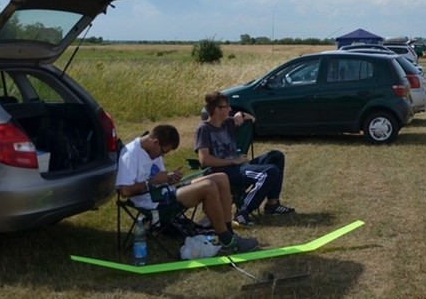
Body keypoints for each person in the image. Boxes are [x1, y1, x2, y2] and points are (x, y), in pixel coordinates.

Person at [116, 124, 258, 254]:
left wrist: (170, 177)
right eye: (163, 152)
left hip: (166, 192)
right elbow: (125, 192)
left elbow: (158, 177)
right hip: (155, 202)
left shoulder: (152, 150)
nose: (162, 156)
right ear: (155, 142)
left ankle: (228, 232)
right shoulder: (130, 154)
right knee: (208, 187)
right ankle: (227, 241)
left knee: (221, 178)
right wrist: (151, 182)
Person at [195, 91, 295, 227]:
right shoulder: (204, 129)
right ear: (217, 110)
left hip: (238, 167)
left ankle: (273, 204)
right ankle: (242, 211)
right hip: (223, 172)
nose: (230, 109)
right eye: (227, 107)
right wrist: (233, 161)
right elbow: (204, 160)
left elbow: (252, 118)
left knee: (276, 156)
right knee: (268, 172)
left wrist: (240, 115)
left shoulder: (227, 123)